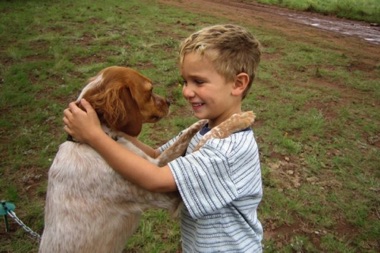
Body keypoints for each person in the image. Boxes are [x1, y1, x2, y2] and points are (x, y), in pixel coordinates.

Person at [63, 24, 263, 252]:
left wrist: (95, 136)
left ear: (238, 84)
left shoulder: (229, 150)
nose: (186, 91)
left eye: (198, 82)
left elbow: (156, 179)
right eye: (186, 81)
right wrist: (108, 130)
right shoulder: (204, 129)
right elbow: (156, 155)